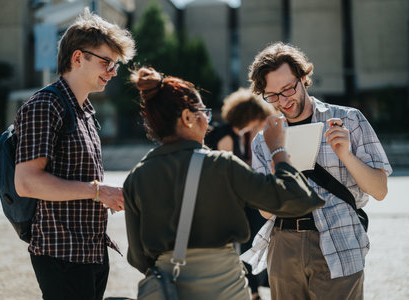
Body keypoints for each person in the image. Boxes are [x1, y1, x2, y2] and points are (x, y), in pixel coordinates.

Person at [123, 66, 325, 300]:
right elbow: (296, 200)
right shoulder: (220, 165)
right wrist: (278, 149)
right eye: (204, 113)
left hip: (170, 288)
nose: (208, 123)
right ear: (188, 118)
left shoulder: (137, 176)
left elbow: (137, 258)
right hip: (224, 286)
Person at [241, 42, 392, 300]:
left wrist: (345, 154)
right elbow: (265, 211)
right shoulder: (263, 139)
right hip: (284, 243)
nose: (284, 100)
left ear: (303, 78)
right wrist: (278, 158)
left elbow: (379, 191)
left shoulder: (350, 119)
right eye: (273, 95)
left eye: (288, 88)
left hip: (340, 238)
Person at [13, 8, 135, 300]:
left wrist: (105, 195)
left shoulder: (86, 112)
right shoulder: (45, 105)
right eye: (107, 62)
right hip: (61, 253)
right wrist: (98, 191)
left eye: (116, 64)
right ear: (78, 58)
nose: (113, 72)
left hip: (91, 249)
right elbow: (27, 182)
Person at [204, 88, 274, 300]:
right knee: (249, 239)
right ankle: (252, 290)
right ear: (248, 116)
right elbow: (227, 171)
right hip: (228, 203)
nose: (261, 122)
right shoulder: (226, 135)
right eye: (258, 118)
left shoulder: (236, 134)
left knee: (253, 237)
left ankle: (253, 288)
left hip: (237, 201)